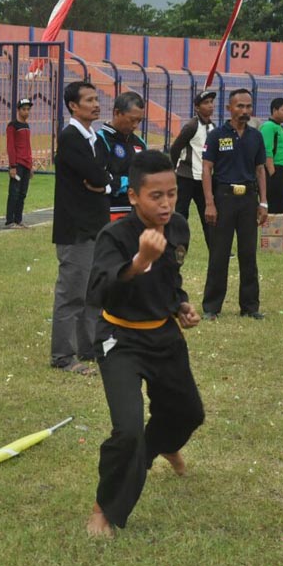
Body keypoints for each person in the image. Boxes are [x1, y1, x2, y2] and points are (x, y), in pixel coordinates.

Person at [85, 150, 205, 537]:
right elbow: (99, 292)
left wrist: (181, 304)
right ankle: (105, 507)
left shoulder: (180, 227)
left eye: (171, 193)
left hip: (163, 333)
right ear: (134, 196)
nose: (167, 203)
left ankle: (162, 445)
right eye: (156, 195)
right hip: (120, 338)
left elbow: (170, 279)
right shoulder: (114, 236)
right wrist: (137, 262)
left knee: (188, 414)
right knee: (128, 431)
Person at [50, 81, 111, 375]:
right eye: (89, 100)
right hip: (76, 228)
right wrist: (102, 181)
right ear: (74, 105)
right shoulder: (71, 137)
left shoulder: (94, 138)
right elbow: (95, 175)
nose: (96, 104)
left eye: (97, 99)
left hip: (95, 225)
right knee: (72, 293)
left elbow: (103, 174)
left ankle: (88, 348)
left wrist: (103, 182)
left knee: (92, 293)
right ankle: (63, 355)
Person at [201, 88, 269, 320]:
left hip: (248, 200)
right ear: (229, 108)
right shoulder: (217, 135)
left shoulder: (255, 136)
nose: (244, 111)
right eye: (240, 106)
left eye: (248, 106)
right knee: (219, 254)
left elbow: (260, 170)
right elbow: (207, 169)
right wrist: (209, 203)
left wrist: (264, 203)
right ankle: (212, 307)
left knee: (248, 254)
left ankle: (250, 307)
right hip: (223, 198)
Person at [170, 89, 216, 249]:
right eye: (206, 103)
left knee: (209, 215)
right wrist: (174, 171)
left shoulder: (212, 127)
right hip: (186, 178)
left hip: (204, 180)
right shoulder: (191, 126)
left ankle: (215, 248)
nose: (210, 106)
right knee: (181, 214)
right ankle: (177, 246)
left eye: (211, 102)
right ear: (197, 108)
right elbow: (175, 148)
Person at [96, 91, 146, 221]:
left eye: (139, 121)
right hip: (110, 211)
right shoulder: (100, 140)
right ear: (117, 113)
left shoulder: (139, 143)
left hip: (137, 212)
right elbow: (100, 178)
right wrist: (132, 183)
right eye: (132, 120)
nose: (135, 125)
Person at [259, 97, 283, 250]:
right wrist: (272, 173)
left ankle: (278, 240)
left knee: (282, 206)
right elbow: (267, 151)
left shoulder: (281, 128)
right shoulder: (269, 127)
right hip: (275, 171)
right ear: (274, 110)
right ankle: (271, 243)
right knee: (274, 206)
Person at [5, 97, 34, 228]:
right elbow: (11, 147)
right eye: (24, 109)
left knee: (23, 193)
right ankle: (10, 221)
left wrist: (31, 165)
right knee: (14, 192)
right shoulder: (13, 126)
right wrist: (12, 166)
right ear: (18, 110)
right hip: (18, 164)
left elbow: (28, 146)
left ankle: (18, 219)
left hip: (27, 164)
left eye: (28, 109)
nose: (26, 112)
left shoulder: (26, 126)